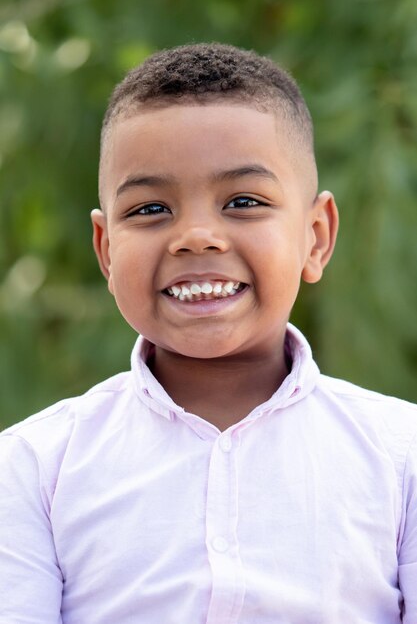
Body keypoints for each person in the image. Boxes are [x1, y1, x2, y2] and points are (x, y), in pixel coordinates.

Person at [0, 43, 416, 624]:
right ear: (106, 250)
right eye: (149, 210)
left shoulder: (402, 457)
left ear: (315, 237)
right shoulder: (32, 469)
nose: (196, 236)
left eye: (243, 201)